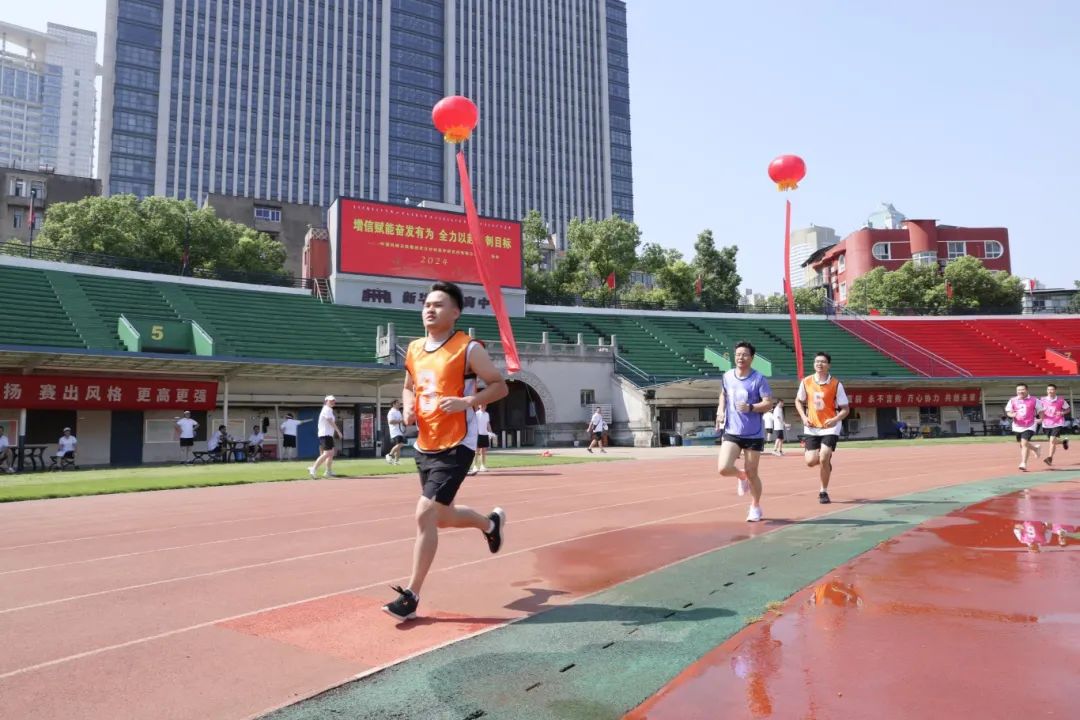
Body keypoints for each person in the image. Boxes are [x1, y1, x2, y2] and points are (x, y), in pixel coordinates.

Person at [383, 281, 508, 622]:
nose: (430, 309)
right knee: (441, 516)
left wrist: (468, 401)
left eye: (438, 304)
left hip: (457, 442)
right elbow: (408, 387)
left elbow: (499, 386)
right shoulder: (414, 349)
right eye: (427, 304)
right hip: (426, 443)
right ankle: (490, 524)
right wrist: (408, 406)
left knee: (425, 513)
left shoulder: (468, 349)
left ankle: (411, 596)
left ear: (455, 313)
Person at [715, 341, 772, 522]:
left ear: (752, 358)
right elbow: (723, 394)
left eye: (745, 354)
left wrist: (751, 407)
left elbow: (768, 403)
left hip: (753, 433)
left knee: (752, 472)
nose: (741, 357)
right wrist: (720, 410)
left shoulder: (759, 379)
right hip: (732, 430)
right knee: (723, 468)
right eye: (738, 354)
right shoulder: (727, 376)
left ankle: (755, 507)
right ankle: (741, 476)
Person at [795, 351, 850, 504]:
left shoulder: (836, 384)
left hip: (830, 426)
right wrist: (804, 417)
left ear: (828, 365)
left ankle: (823, 492)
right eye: (817, 361)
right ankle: (825, 463)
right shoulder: (806, 382)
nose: (819, 364)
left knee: (824, 456)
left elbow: (845, 409)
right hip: (812, 426)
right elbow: (798, 401)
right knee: (811, 461)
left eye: (823, 361)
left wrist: (835, 419)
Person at [1005, 383, 1043, 471]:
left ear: (1027, 390)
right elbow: (1008, 411)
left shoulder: (1034, 400)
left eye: (1022, 389)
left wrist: (1041, 419)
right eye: (1018, 390)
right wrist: (1012, 415)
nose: (1020, 391)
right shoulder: (1012, 400)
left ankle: (1023, 463)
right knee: (1022, 444)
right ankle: (1035, 449)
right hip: (1017, 425)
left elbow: (1040, 410)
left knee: (1024, 443)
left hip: (1030, 424)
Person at [309, 395, 342, 479]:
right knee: (327, 453)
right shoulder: (327, 409)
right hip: (325, 434)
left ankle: (328, 471)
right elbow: (330, 421)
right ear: (326, 401)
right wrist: (338, 431)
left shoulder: (329, 410)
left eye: (333, 401)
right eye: (330, 401)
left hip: (328, 435)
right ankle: (313, 468)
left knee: (331, 453)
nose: (333, 402)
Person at [1041, 383, 1070, 466]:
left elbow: (1068, 409)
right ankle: (1064, 442)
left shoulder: (1061, 400)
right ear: (1047, 391)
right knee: (1053, 441)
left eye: (1052, 389)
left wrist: (1062, 413)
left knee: (1052, 440)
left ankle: (1049, 458)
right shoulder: (1042, 400)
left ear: (1055, 390)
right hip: (1046, 423)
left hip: (1058, 422)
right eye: (1048, 389)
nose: (1050, 391)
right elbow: (1038, 410)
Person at [470, 404, 492, 474]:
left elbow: (488, 423)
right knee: (476, 451)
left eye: (484, 405)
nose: (483, 407)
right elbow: (474, 424)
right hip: (478, 434)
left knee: (483, 451)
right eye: (482, 405)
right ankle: (475, 466)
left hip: (485, 434)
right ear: (479, 406)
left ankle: (482, 466)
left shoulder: (487, 414)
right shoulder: (476, 414)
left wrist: (490, 432)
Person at [385, 399, 407, 465]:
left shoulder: (398, 411)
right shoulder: (391, 412)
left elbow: (401, 421)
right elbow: (390, 421)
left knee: (398, 447)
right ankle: (389, 455)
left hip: (400, 431)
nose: (399, 404)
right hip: (395, 431)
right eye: (398, 403)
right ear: (393, 404)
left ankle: (396, 461)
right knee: (400, 444)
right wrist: (400, 421)